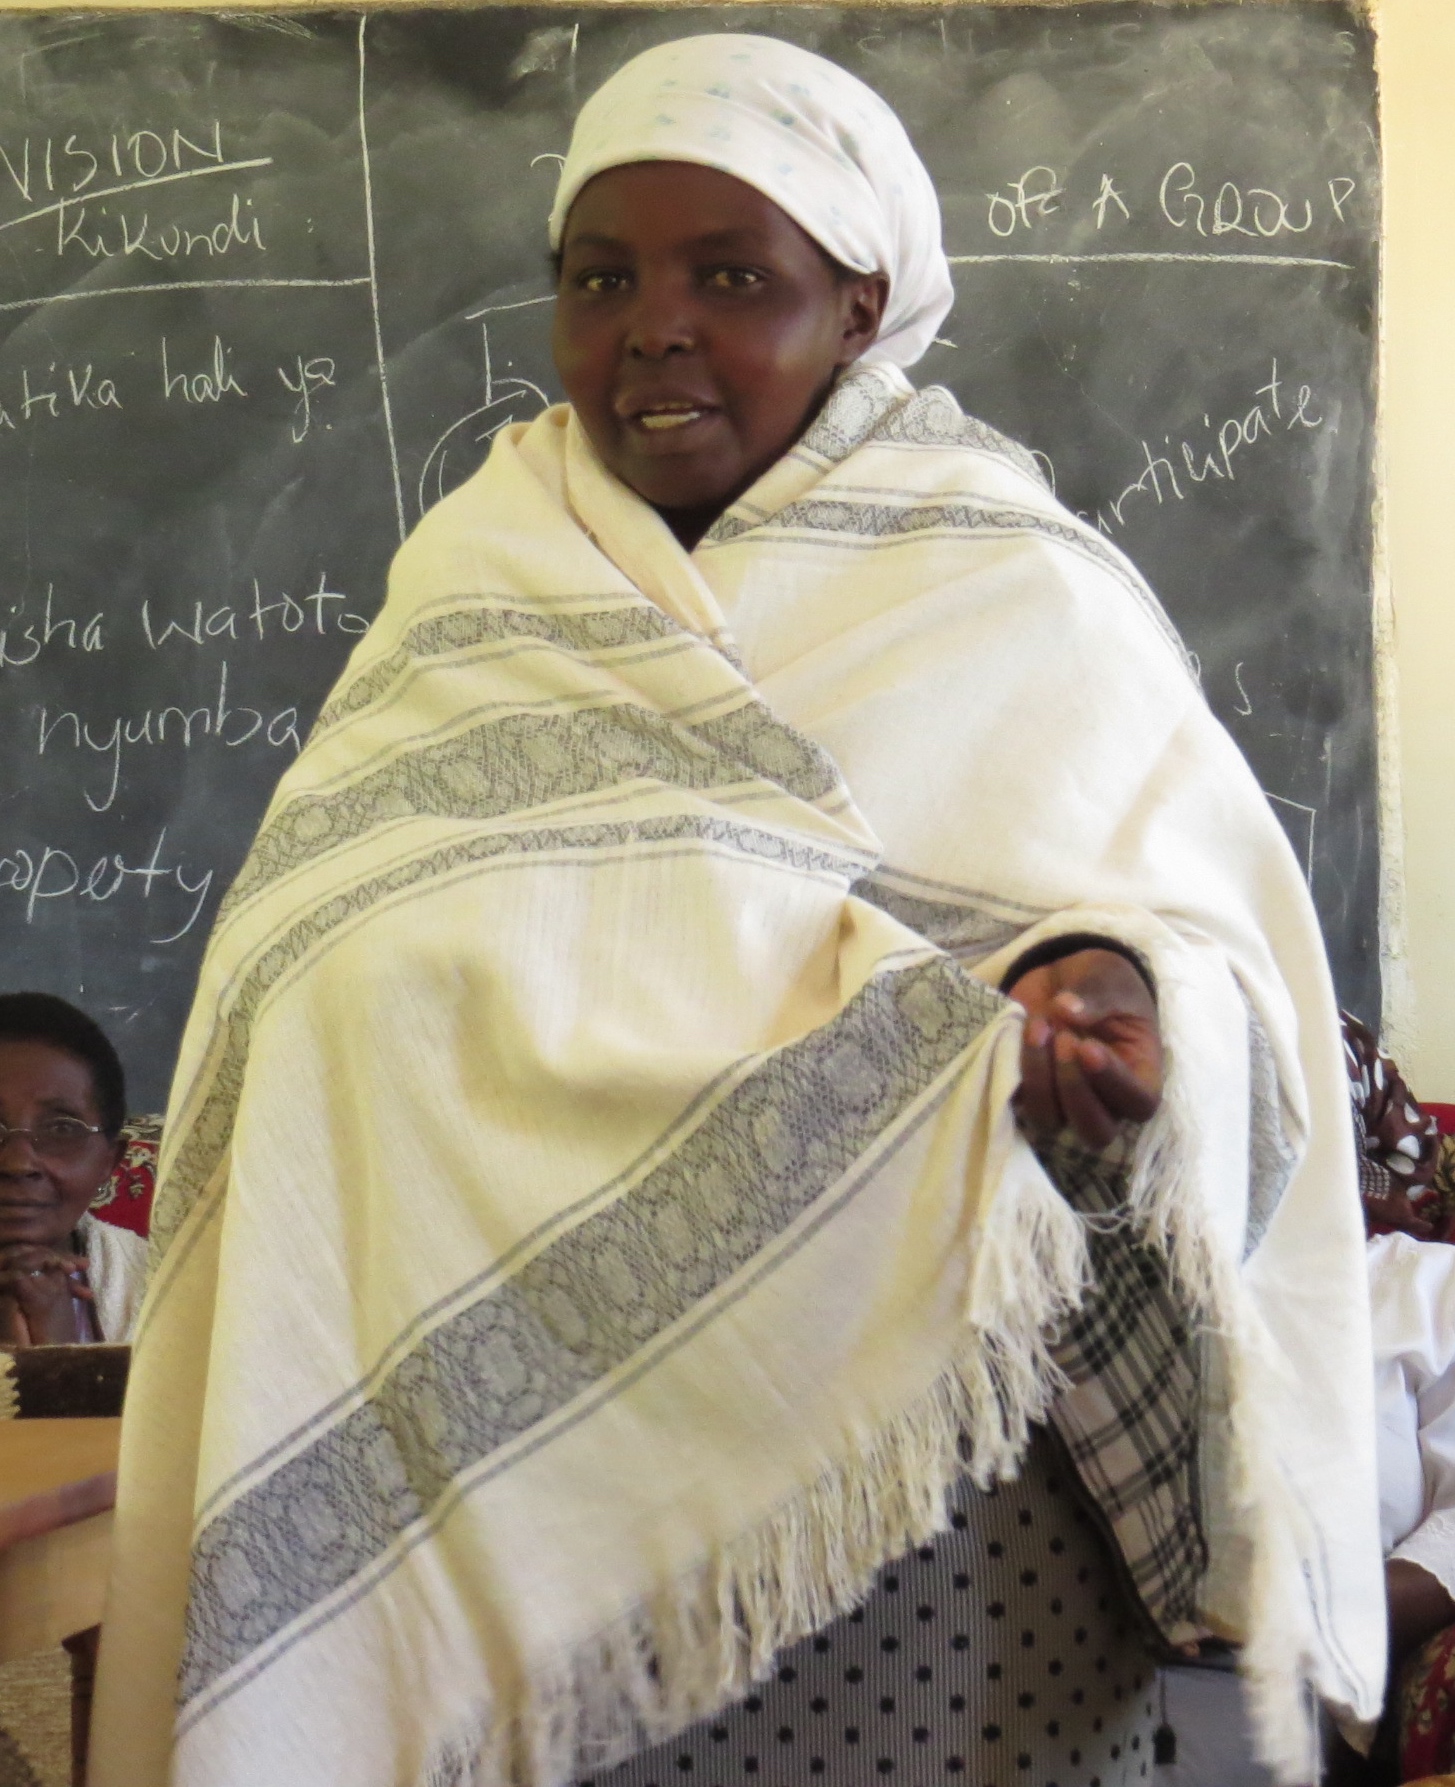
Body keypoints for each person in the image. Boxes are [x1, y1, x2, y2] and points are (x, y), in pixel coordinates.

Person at [92, 35, 1381, 1787]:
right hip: (503, 1557)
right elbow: (305, 993)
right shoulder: (472, 598)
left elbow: (1213, 964)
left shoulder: (1020, 595)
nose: (656, 328)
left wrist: (1109, 994)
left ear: (858, 310)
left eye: (733, 278)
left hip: (918, 1527)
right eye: (600, 278)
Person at [0, 992, 148, 1347]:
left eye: (61, 1129)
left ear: (108, 1163)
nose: (17, 1163)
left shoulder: (156, 1284)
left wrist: (55, 1345)